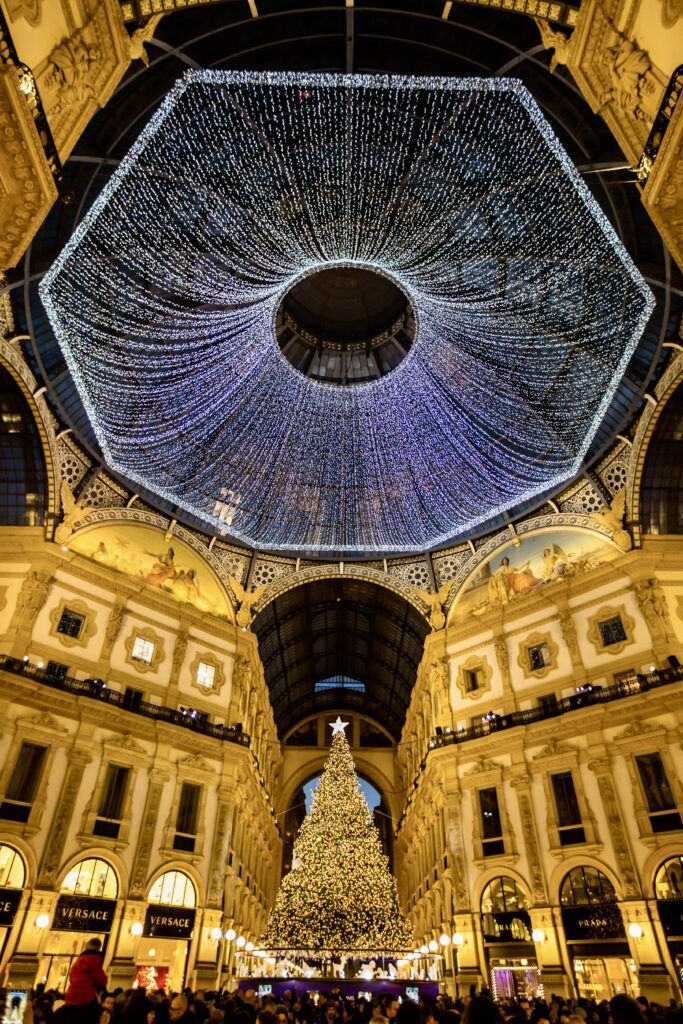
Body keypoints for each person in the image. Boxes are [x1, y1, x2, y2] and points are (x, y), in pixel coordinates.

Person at [60, 938, 108, 1024]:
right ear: (98, 948)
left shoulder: (78, 960)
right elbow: (102, 980)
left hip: (71, 996)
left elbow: (71, 977)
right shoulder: (96, 960)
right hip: (86, 997)